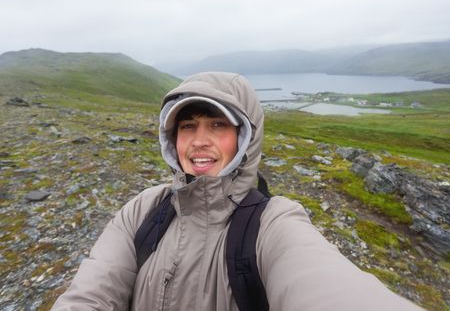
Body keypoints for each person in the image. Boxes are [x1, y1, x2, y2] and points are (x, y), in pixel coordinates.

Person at [53, 72, 422, 310]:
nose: (199, 142)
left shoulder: (273, 223)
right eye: (187, 126)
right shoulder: (143, 210)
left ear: (244, 138)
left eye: (218, 125)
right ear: (172, 137)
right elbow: (91, 294)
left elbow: (325, 286)